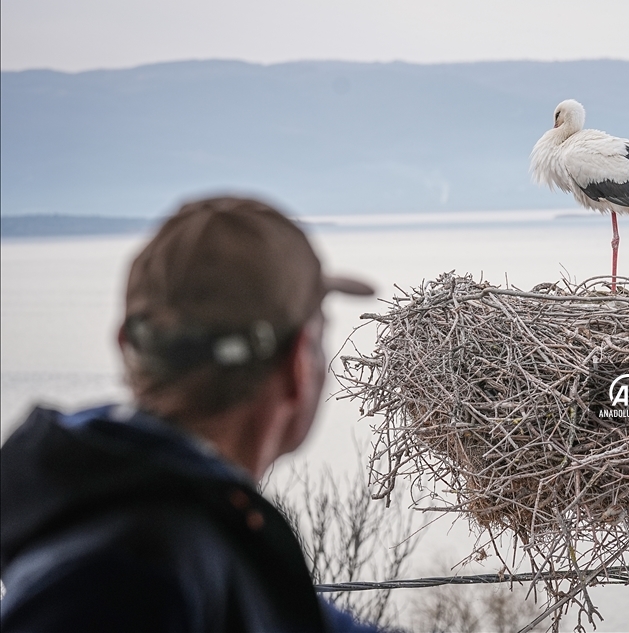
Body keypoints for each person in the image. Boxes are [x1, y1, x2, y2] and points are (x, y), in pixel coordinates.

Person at [0, 196, 379, 632]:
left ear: (126, 346)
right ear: (298, 366)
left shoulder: (182, 528)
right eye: (319, 336)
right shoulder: (137, 579)